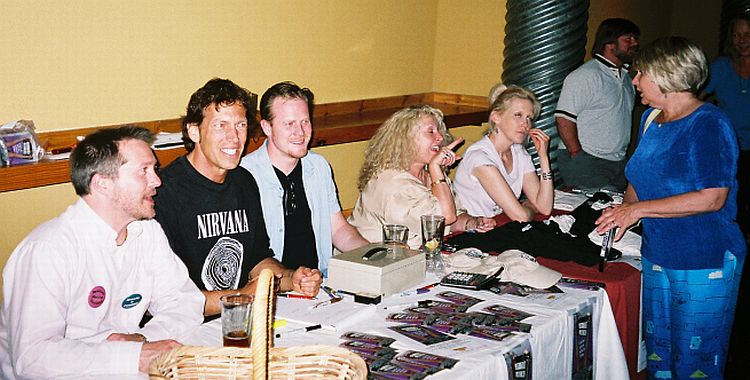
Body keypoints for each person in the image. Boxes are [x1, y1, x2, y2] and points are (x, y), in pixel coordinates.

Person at [0, 126, 204, 378]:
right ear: (103, 184)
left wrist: (140, 341)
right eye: (144, 171)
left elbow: (185, 302)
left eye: (154, 170)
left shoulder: (147, 232)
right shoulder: (48, 250)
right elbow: (32, 359)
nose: (157, 181)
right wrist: (133, 355)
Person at [596, 37, 746, 379]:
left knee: (695, 362)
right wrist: (623, 210)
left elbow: (713, 197)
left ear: (667, 75)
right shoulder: (650, 118)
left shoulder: (708, 123)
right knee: (660, 354)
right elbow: (638, 177)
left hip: (704, 256)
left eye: (641, 73)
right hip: (658, 252)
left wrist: (637, 211)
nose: (634, 81)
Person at [154, 78, 322, 317]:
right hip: (187, 328)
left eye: (240, 125)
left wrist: (291, 279)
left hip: (240, 318)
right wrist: (243, 296)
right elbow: (169, 299)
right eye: (220, 125)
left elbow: (257, 260)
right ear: (194, 131)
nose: (233, 137)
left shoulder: (244, 181)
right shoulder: (164, 193)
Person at [240, 82, 368, 276]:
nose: (300, 132)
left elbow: (338, 229)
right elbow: (248, 256)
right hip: (273, 290)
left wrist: (376, 254)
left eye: (305, 122)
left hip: (321, 283)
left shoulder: (318, 166)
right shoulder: (244, 175)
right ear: (267, 127)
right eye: (289, 124)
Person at [348, 104, 496, 249]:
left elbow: (453, 218)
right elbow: (442, 218)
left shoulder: (431, 174)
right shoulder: (390, 181)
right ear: (406, 139)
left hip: (413, 257)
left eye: (439, 131)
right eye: (430, 132)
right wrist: (436, 169)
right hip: (373, 262)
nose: (439, 137)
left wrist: (472, 223)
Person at [555, 18, 640, 191]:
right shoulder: (586, 76)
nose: (635, 43)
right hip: (588, 160)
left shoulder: (627, 79)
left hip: (618, 162)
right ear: (609, 43)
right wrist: (577, 155)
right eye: (628, 38)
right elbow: (563, 119)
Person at [454, 84, 553, 221]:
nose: (525, 124)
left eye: (529, 118)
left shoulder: (518, 152)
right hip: (470, 232)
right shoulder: (480, 158)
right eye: (518, 115)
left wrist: (543, 157)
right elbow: (521, 217)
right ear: (496, 117)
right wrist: (530, 207)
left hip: (499, 226)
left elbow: (545, 207)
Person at [703, 14, 750, 236]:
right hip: (727, 147)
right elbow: (696, 99)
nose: (742, 40)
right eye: (737, 34)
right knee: (732, 201)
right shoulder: (721, 66)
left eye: (747, 34)